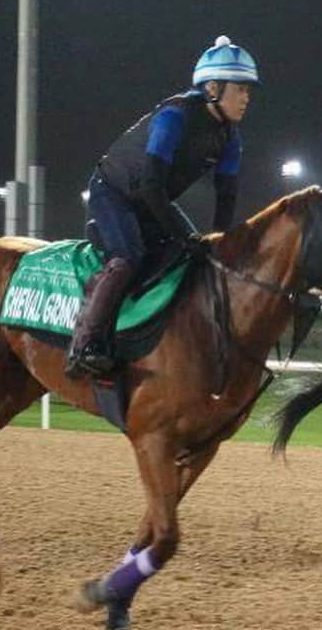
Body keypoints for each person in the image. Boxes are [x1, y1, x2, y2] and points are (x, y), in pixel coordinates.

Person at [65, 35, 259, 378]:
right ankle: (84, 345)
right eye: (240, 88)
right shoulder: (174, 117)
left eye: (248, 90)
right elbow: (151, 184)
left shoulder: (230, 138)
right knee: (128, 258)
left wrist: (218, 243)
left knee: (196, 257)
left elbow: (226, 197)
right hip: (114, 193)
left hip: (151, 199)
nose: (247, 97)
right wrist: (185, 236)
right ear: (213, 87)